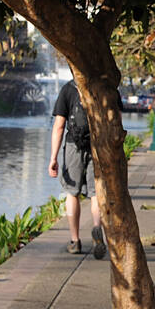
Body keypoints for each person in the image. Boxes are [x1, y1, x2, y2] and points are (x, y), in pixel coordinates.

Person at [49, 79, 106, 258]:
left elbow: (59, 127)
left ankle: (75, 241)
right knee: (96, 193)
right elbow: (115, 120)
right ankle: (97, 228)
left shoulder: (69, 89)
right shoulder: (103, 87)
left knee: (72, 193)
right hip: (97, 146)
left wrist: (53, 158)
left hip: (74, 146)